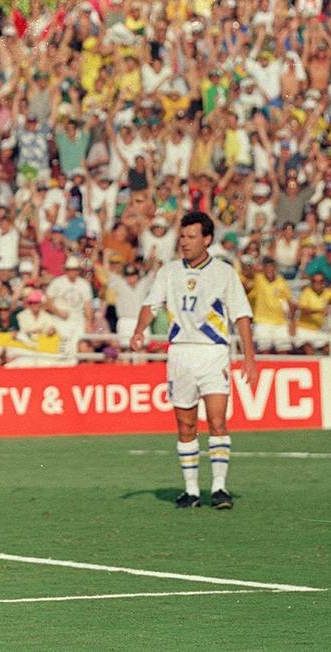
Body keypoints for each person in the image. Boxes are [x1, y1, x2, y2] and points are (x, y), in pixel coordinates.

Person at [131, 212, 257, 510]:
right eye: (183, 237)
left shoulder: (224, 273)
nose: (184, 243)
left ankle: (219, 488)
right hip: (180, 354)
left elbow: (241, 315)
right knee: (185, 425)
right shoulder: (170, 272)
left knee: (216, 421)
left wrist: (249, 358)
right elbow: (151, 305)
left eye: (191, 237)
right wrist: (139, 330)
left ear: (207, 240)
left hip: (212, 352)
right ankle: (190, 491)